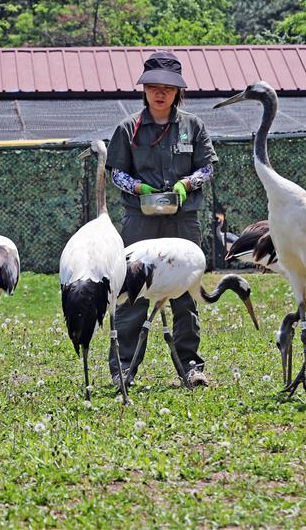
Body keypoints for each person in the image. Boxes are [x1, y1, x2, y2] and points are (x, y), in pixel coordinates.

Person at [105, 50, 218, 389]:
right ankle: (123, 368)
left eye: (167, 88)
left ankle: (191, 367)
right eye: (153, 86)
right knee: (132, 292)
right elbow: (115, 172)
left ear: (177, 91)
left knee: (185, 291)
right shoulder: (127, 129)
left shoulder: (193, 127)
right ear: (144, 89)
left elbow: (208, 167)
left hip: (183, 221)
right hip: (140, 220)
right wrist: (136, 186)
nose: (159, 93)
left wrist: (188, 184)